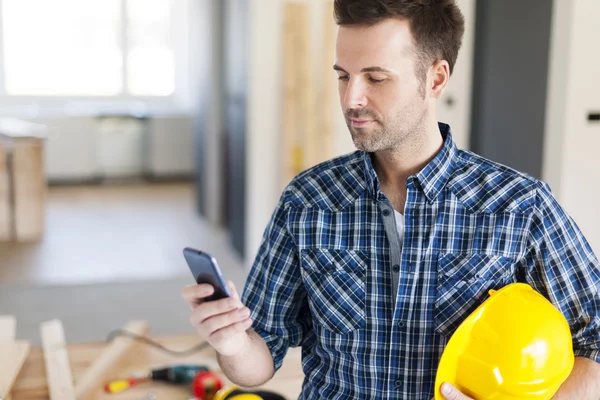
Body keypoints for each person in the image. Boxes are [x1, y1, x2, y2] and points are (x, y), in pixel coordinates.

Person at [182, 0, 600, 398]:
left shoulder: (520, 206)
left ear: (435, 79)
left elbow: (595, 339)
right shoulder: (306, 201)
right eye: (343, 76)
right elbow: (260, 361)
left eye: (376, 78)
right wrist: (233, 342)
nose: (351, 99)